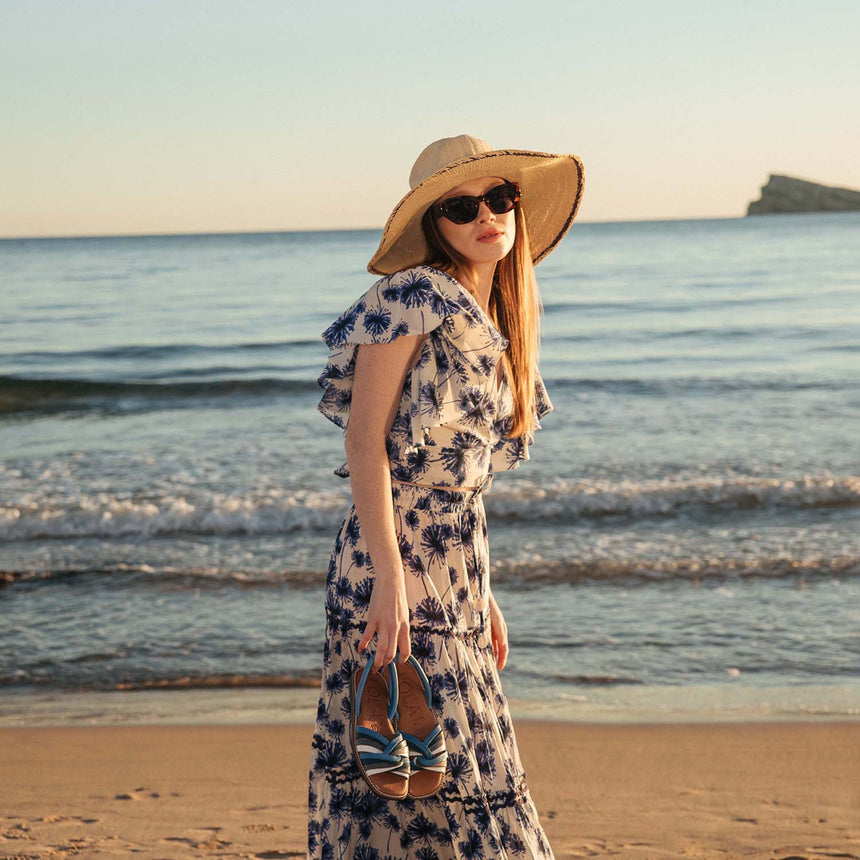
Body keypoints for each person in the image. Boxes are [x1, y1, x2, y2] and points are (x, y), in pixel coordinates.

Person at [307, 134, 585, 859]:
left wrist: (484, 590)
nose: (487, 215)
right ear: (436, 223)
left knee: (448, 777)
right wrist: (392, 582)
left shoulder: (499, 318)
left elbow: (467, 484)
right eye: (463, 206)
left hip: (456, 566)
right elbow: (364, 445)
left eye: (501, 198)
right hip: (391, 564)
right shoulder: (410, 296)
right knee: (414, 776)